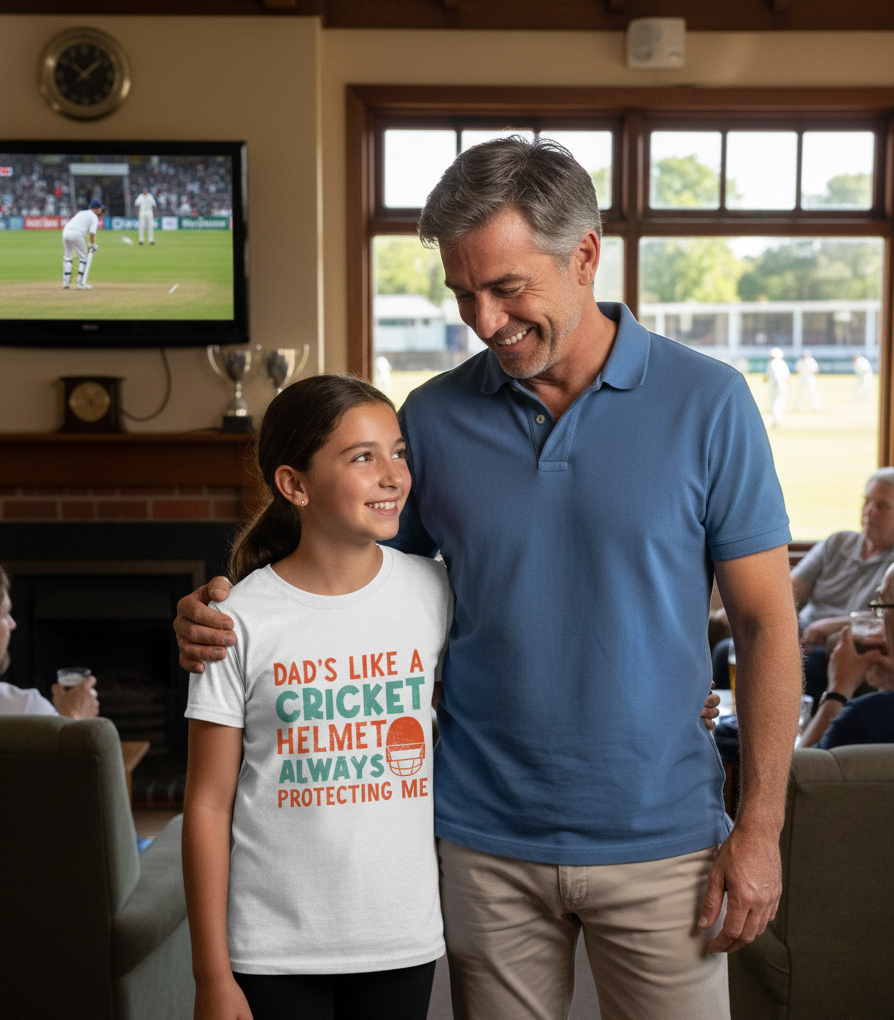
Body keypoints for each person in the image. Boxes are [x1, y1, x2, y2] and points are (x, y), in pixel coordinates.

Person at [176, 137, 802, 1020]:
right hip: (479, 843)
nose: (483, 318)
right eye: (463, 293)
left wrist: (762, 827)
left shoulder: (711, 404)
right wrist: (225, 604)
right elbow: (343, 564)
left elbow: (769, 626)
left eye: (507, 288)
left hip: (664, 842)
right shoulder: (430, 418)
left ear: (583, 256)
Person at [182, 375, 454, 1020]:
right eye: (363, 457)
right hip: (271, 948)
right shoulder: (235, 620)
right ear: (294, 485)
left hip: (400, 936)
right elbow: (208, 803)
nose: (393, 475)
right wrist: (210, 976)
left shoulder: (434, 592)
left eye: (399, 452)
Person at [713, 468, 894, 702]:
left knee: (807, 669)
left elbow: (886, 620)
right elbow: (790, 590)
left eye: (881, 506)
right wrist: (752, 609)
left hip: (835, 647)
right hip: (798, 631)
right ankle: (727, 731)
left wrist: (832, 625)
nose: (869, 511)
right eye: (867, 502)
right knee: (724, 652)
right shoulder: (838, 542)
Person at [798, 562, 894, 749]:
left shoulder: (864, 718)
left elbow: (799, 772)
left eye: (881, 607)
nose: (878, 621)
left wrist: (838, 690)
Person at [0, 565, 99, 718]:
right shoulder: (26, 709)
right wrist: (74, 717)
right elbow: (63, 742)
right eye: (5, 614)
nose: (13, 624)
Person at [62, 199, 103, 291]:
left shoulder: (81, 212)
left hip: (66, 231)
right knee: (84, 257)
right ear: (96, 209)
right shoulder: (94, 217)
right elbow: (92, 233)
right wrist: (92, 244)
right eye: (100, 208)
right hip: (76, 233)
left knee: (68, 256)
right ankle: (80, 283)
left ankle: (66, 281)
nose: (101, 211)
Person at [767, 346, 790, 426]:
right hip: (783, 386)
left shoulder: (772, 363)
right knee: (781, 402)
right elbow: (787, 376)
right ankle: (780, 419)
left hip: (775, 386)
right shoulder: (783, 363)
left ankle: (776, 420)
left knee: (775, 403)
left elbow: (769, 375)